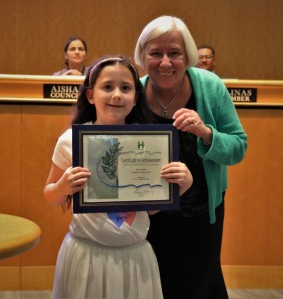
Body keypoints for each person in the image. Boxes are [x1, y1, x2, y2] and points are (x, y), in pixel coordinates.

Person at [44, 55, 193, 299]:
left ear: (136, 98)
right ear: (91, 96)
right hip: (86, 256)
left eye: (125, 88)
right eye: (107, 87)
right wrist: (63, 186)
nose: (116, 95)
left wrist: (182, 185)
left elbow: (149, 209)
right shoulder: (70, 141)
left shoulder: (151, 146)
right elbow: (50, 196)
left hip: (135, 256)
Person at [134, 15, 248, 299]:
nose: (165, 62)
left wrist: (207, 133)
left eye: (174, 53)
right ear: (142, 56)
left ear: (188, 55)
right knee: (153, 285)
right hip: (150, 216)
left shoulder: (210, 87)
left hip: (201, 215)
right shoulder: (133, 91)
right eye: (156, 53)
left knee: (200, 286)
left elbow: (239, 147)